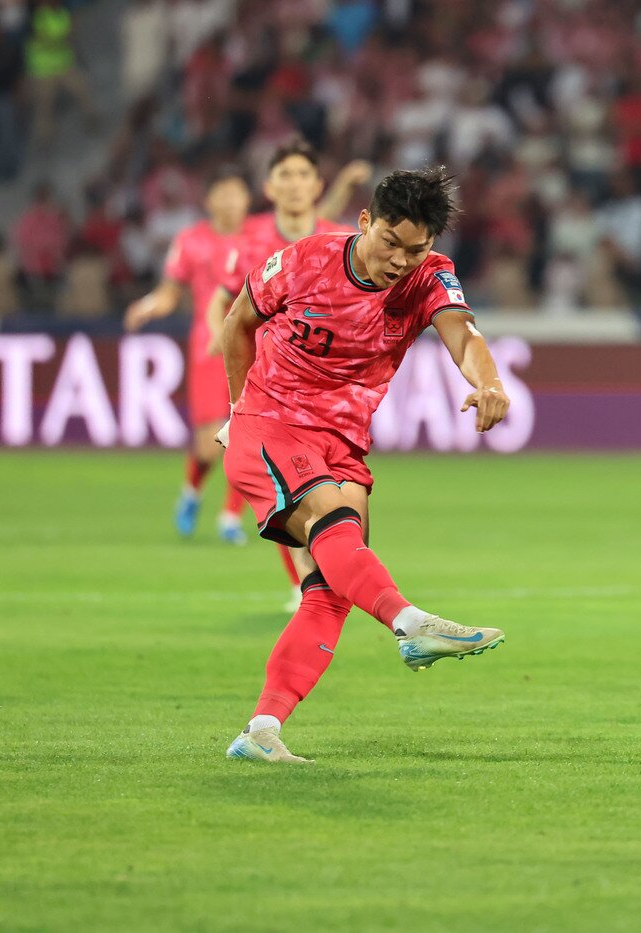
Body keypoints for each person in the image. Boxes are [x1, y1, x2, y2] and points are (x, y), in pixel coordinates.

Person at [219, 167, 511, 763]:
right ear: (364, 223)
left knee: (329, 592)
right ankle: (409, 621)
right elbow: (238, 324)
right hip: (273, 421)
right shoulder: (303, 262)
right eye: (390, 242)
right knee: (331, 525)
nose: (401, 260)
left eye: (416, 249)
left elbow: (463, 335)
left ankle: (262, 729)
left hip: (342, 445)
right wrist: (235, 410)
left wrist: (490, 382)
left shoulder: (432, 277)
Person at [202, 140, 369, 603]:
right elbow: (223, 301)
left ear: (317, 186)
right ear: (269, 187)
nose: (295, 185)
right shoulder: (251, 243)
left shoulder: (339, 240)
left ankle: (316, 575)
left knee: (324, 486)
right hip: (263, 385)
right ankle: (306, 582)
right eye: (285, 175)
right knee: (283, 482)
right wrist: (224, 341)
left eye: (303, 175)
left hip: (322, 388)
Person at [125, 165, 252, 545]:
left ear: (248, 199)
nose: (231, 201)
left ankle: (231, 516)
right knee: (210, 442)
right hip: (208, 347)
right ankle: (192, 492)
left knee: (255, 433)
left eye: (238, 193)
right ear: (210, 200)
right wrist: (148, 305)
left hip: (258, 344)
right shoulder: (191, 240)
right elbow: (169, 293)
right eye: (224, 193)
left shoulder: (263, 237)